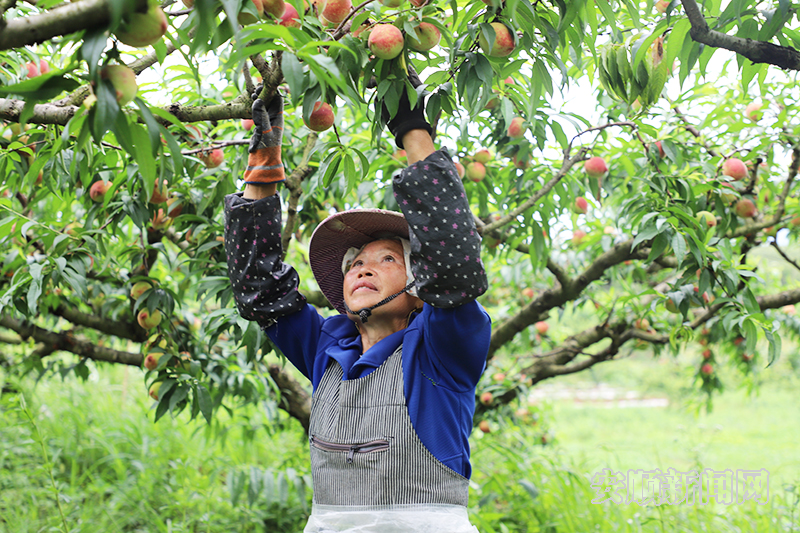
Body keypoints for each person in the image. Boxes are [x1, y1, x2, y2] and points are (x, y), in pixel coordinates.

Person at [223, 75, 491, 532]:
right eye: (355, 263)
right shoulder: (326, 348)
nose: (363, 269)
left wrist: (411, 128)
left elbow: (451, 259)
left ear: (418, 286)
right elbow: (259, 288)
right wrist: (263, 165)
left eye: (387, 258)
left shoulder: (441, 351)